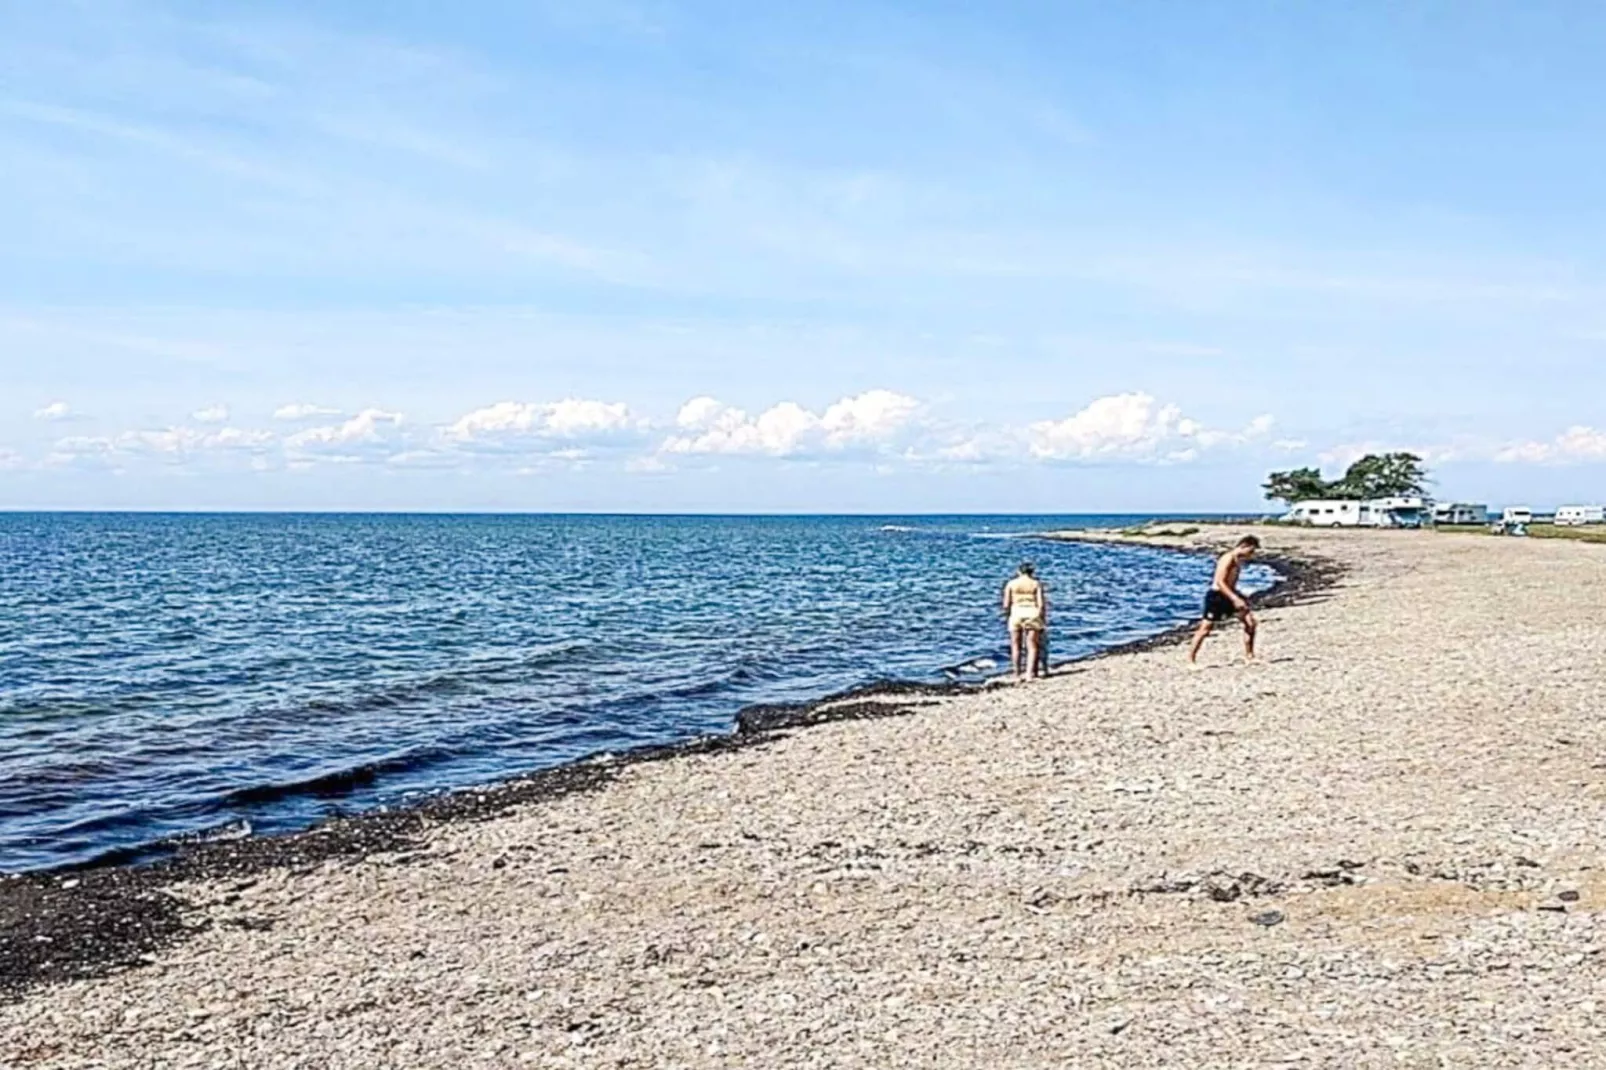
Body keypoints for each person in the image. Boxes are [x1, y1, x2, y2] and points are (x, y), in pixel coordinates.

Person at [1187, 535, 1260, 664]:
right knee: (1205, 628)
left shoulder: (1238, 561)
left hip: (1230, 595)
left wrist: (1240, 596)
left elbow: (1231, 583)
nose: (1251, 555)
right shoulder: (1228, 558)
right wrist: (1235, 598)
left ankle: (1250, 656)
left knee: (1250, 622)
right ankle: (1191, 659)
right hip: (1217, 596)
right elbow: (1220, 582)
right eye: (1251, 551)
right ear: (1244, 546)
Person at [1002, 562, 1048, 682]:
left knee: (1015, 645)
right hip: (1032, 612)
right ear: (1032, 572)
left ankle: (1017, 674)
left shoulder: (1011, 584)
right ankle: (1029, 674)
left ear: (1019, 571)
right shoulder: (1036, 584)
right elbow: (1041, 604)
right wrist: (1043, 618)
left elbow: (1006, 604)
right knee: (1032, 646)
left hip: (1016, 612)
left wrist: (1007, 615)